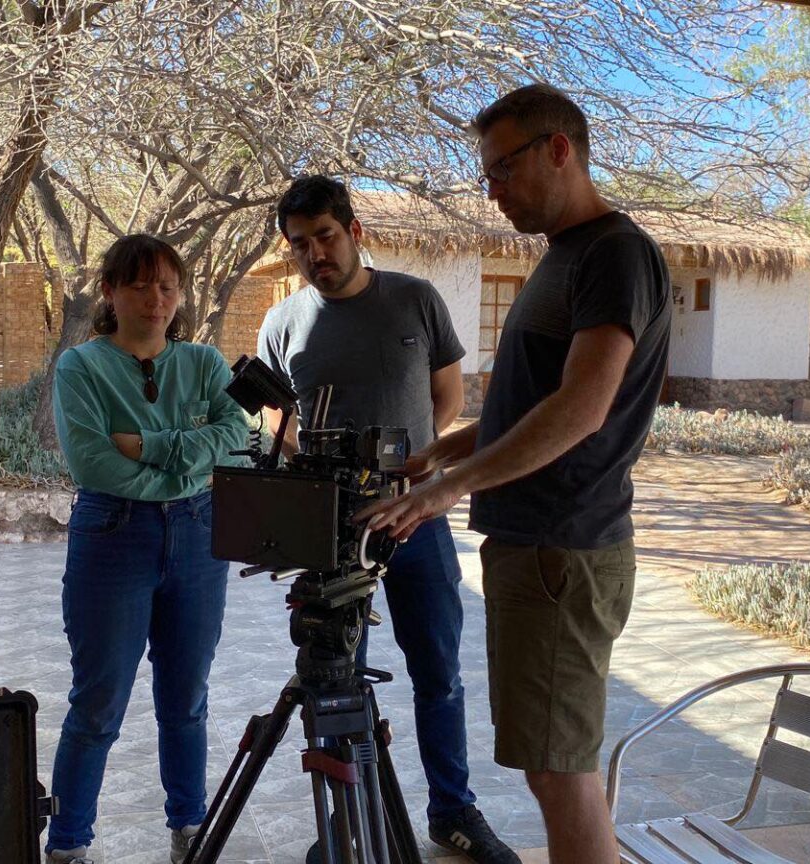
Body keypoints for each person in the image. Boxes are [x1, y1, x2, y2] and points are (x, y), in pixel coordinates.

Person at [359, 84, 672, 864]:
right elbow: (531, 404)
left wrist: (450, 488)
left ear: (558, 149)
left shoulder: (614, 253)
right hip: (536, 546)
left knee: (561, 773)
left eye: (502, 169)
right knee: (549, 767)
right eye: (487, 175)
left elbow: (582, 409)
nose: (492, 191)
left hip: (563, 549)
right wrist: (445, 451)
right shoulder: (565, 256)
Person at [256, 176, 520, 864]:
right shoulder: (282, 323)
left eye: (326, 236)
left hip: (418, 519)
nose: (315, 253)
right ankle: (346, 823)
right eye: (300, 244)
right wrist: (313, 465)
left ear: (354, 231)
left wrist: (415, 465)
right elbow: (277, 418)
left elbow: (447, 393)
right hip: (333, 531)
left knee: (439, 672)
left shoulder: (415, 299)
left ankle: (453, 811)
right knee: (335, 683)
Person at [47, 234, 248, 864]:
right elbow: (93, 463)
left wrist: (153, 446)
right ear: (110, 292)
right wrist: (189, 469)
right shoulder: (81, 367)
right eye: (139, 286)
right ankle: (68, 843)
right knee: (98, 701)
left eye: (167, 286)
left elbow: (236, 432)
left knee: (186, 699)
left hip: (199, 538)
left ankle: (189, 826)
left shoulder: (205, 364)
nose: (156, 299)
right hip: (113, 536)